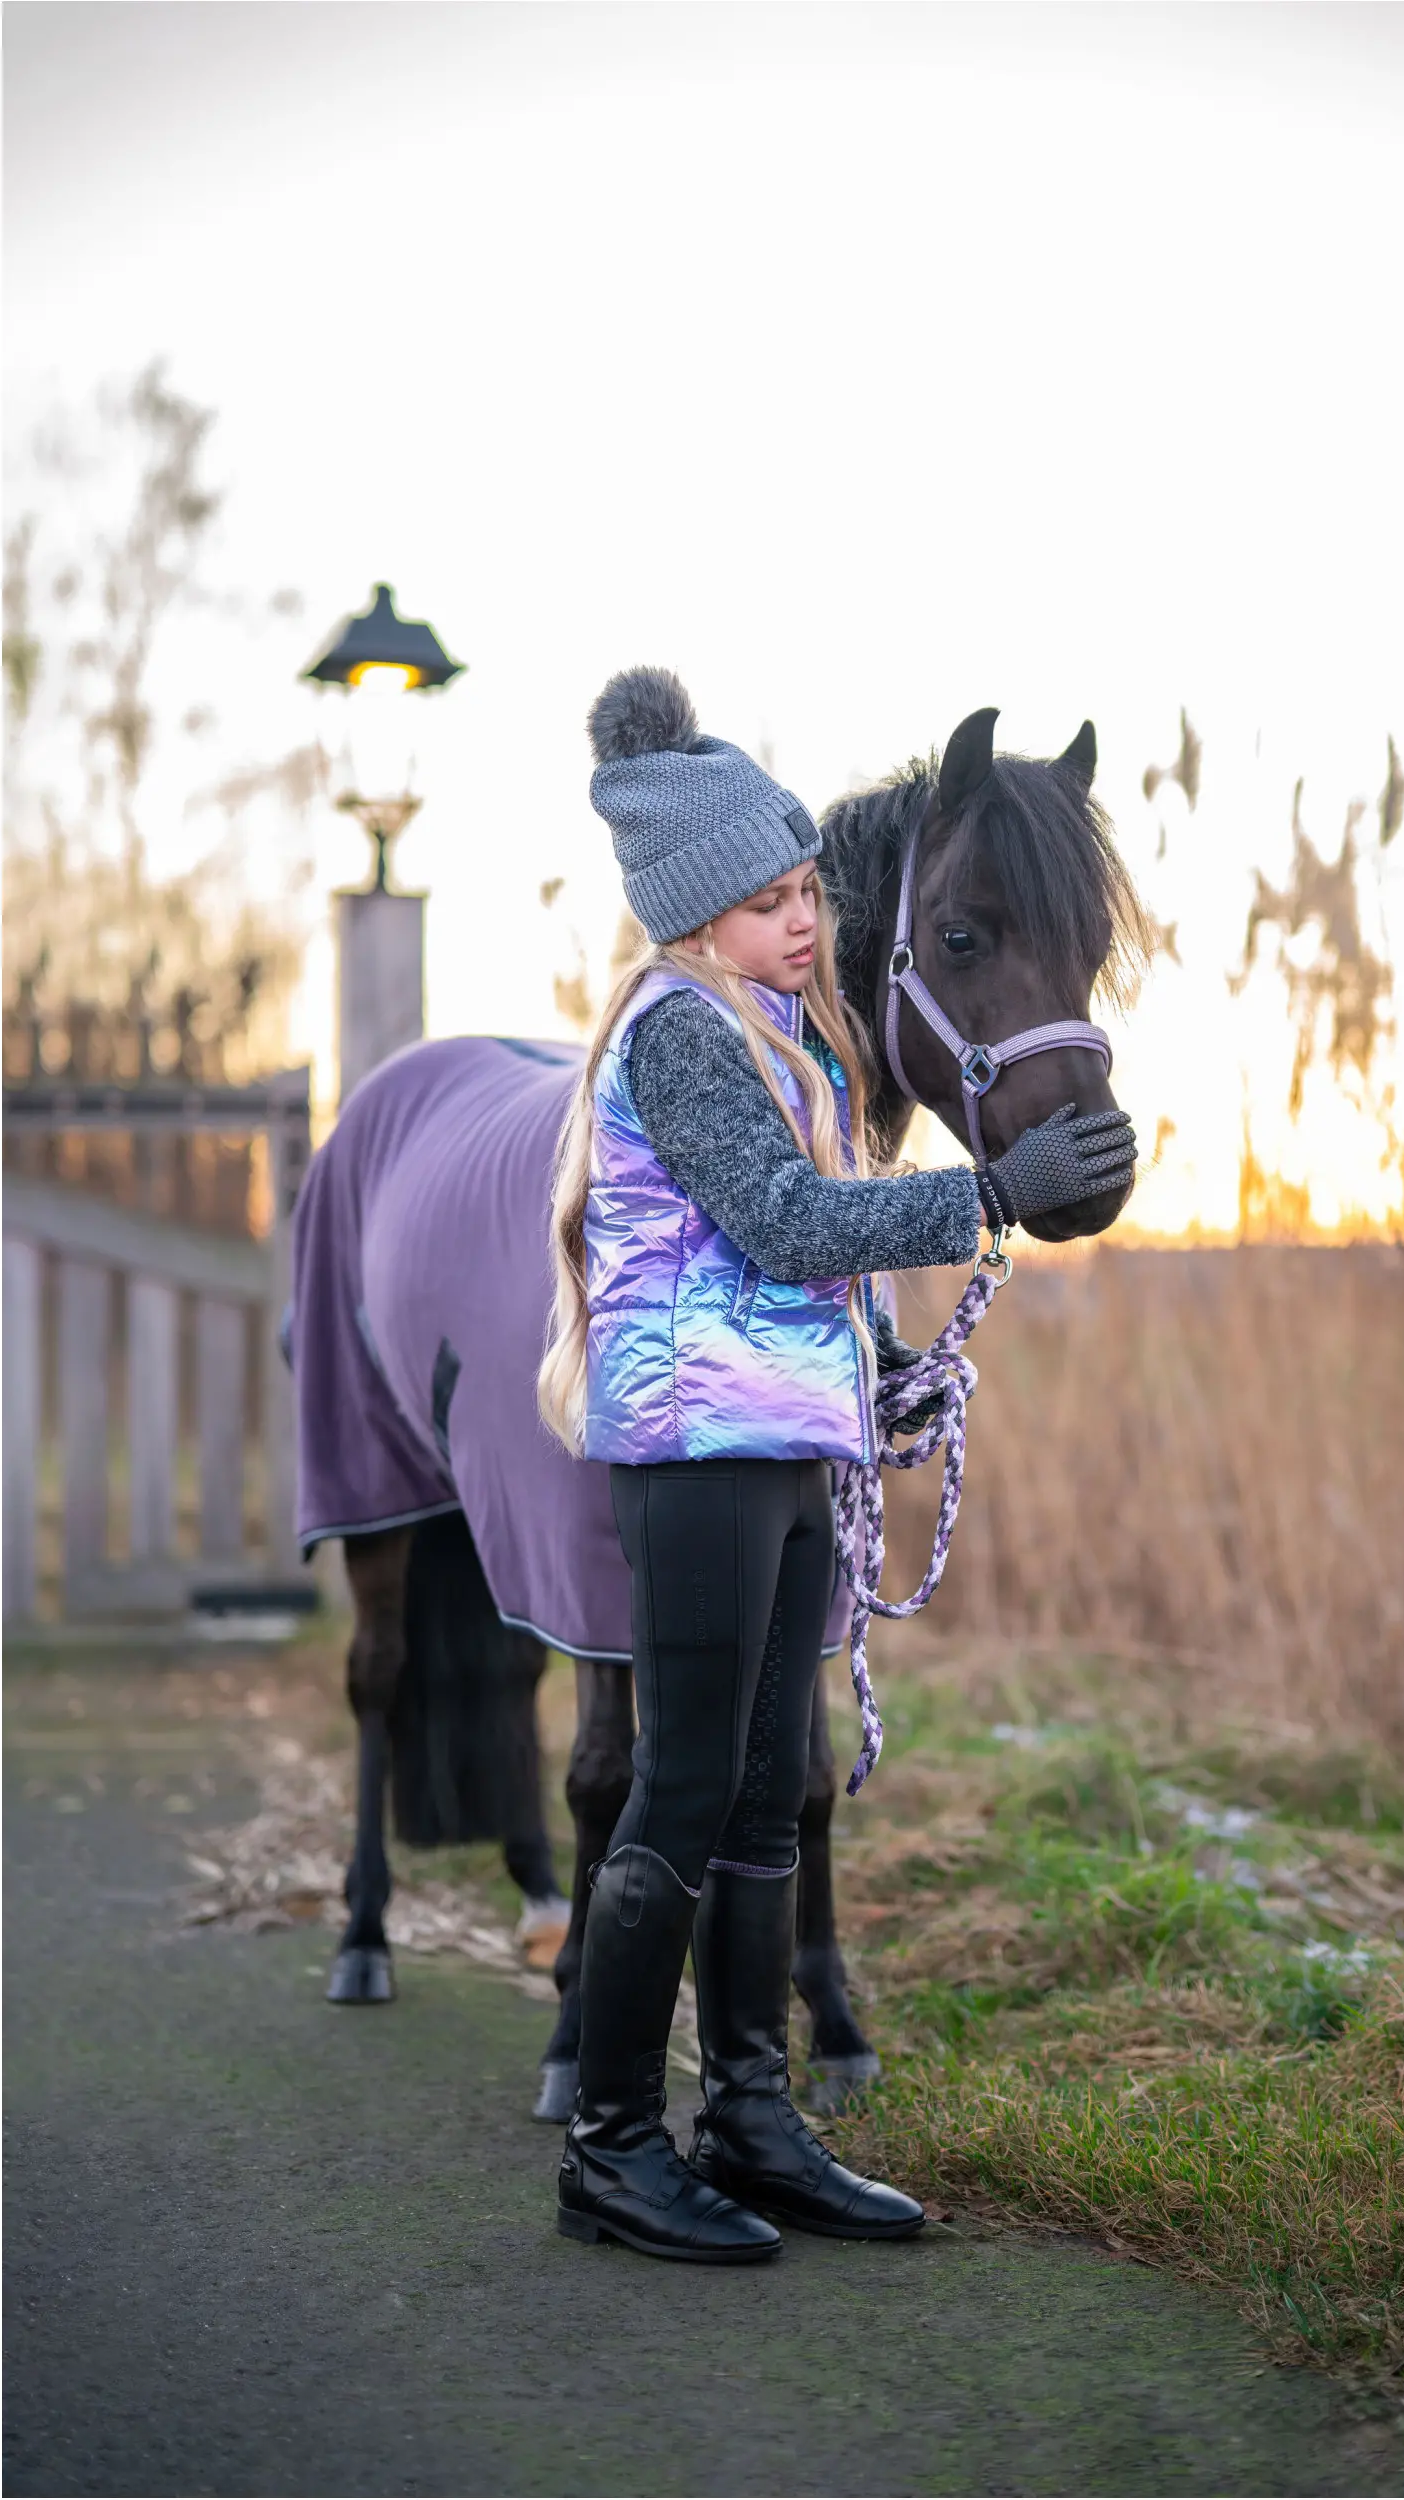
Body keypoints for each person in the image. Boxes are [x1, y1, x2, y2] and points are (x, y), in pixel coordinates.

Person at [536, 666, 1138, 2262]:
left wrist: (885, 1377)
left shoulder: (791, 1051)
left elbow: (806, 1281)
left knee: (761, 1799)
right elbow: (785, 1228)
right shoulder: (679, 1043)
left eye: (807, 889)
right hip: (696, 1446)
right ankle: (609, 2143)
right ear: (688, 922)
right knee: (677, 1793)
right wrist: (990, 1195)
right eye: (762, 903)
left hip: (782, 1437)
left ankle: (747, 2113)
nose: (804, 922)